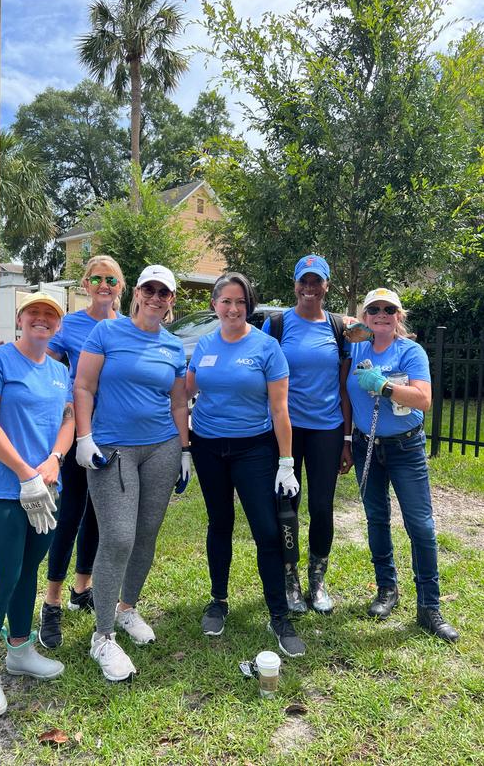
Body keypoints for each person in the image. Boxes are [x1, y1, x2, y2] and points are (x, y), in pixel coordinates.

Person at [74, 265, 191, 681]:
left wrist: (185, 450)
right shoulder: (107, 332)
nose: (156, 297)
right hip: (113, 448)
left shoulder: (173, 346)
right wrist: (84, 437)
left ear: (171, 299)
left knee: (145, 533)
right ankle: (102, 635)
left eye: (164, 292)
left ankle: (127, 609)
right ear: (137, 293)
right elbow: (83, 386)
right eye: (149, 289)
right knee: (118, 537)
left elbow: (178, 403)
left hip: (162, 447)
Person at [0, 292, 74, 718]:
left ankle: (20, 650)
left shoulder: (59, 371)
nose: (42, 319)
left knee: (29, 571)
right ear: (20, 318)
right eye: (34, 312)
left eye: (50, 314)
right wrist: (24, 472)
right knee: (2, 579)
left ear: (58, 325)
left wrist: (54, 459)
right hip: (0, 491)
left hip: (47, 489)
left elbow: (68, 420)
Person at [187, 272, 306, 657]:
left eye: (240, 301)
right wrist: (185, 447)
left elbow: (280, 409)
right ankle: (218, 600)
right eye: (226, 301)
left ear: (249, 306)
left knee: (267, 531)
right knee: (219, 523)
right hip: (207, 447)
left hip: (253, 448)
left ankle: (278, 615)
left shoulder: (267, 347)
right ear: (214, 305)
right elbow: (185, 390)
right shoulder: (204, 344)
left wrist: (286, 462)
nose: (233, 308)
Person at [347, 287, 459, 642]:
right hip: (367, 445)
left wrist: (384, 387)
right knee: (376, 518)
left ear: (399, 316)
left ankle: (429, 606)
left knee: (420, 525)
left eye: (388, 309)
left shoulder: (410, 351)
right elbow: (334, 326)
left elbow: (423, 399)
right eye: (374, 310)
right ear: (365, 317)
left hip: (405, 448)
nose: (381, 315)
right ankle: (386, 589)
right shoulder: (356, 348)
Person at [38, 255, 125, 650]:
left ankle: (81, 588)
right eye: (97, 279)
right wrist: (3, 353)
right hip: (77, 431)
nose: (104, 285)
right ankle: (52, 601)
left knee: (98, 515)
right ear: (86, 284)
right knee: (71, 513)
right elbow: (42, 364)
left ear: (120, 286)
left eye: (111, 279)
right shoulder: (71, 325)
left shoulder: (126, 328)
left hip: (113, 433)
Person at [263, 255, 353, 614]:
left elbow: (344, 387)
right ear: (295, 284)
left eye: (316, 281)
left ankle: (317, 580)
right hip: (285, 429)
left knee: (321, 506)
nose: (310, 288)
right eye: (304, 281)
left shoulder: (338, 328)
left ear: (327, 285)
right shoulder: (277, 324)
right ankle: (290, 580)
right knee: (287, 506)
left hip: (326, 429)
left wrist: (347, 439)